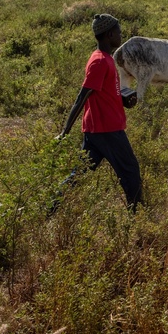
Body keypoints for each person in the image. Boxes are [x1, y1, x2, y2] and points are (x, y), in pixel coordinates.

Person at [52, 13, 143, 212]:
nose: (121, 35)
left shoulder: (104, 58)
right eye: (119, 32)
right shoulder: (100, 62)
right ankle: (138, 218)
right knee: (130, 172)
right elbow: (82, 96)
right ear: (109, 34)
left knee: (79, 174)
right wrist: (65, 131)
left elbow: (102, 91)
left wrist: (121, 97)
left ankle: (50, 208)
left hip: (96, 130)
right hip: (107, 130)